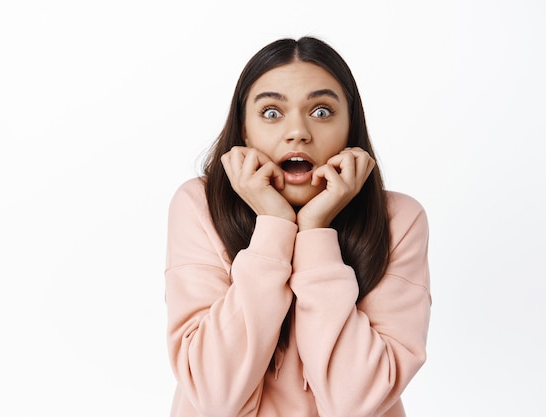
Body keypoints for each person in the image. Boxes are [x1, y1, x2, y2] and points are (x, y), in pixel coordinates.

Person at [164, 36, 431, 417]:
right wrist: (274, 226)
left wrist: (314, 232)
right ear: (244, 130)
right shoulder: (199, 205)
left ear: (350, 126)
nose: (298, 132)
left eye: (321, 111)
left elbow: (357, 402)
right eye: (271, 113)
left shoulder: (399, 219)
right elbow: (214, 395)